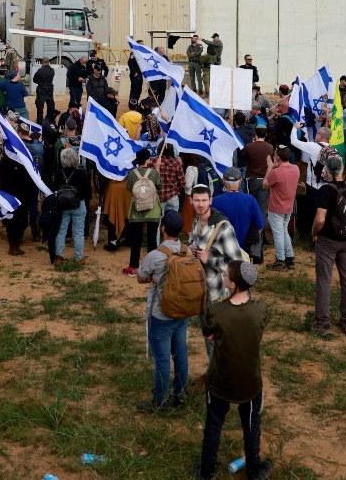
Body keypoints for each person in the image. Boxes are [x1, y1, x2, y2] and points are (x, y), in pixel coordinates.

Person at [196, 260, 272, 480]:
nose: (223, 275)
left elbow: (209, 334)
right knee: (251, 426)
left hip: (221, 379)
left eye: (226, 274)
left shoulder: (217, 311)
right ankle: (254, 469)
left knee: (213, 424)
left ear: (234, 283)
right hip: (250, 380)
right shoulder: (260, 309)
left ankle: (206, 471)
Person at [136, 211, 190, 413]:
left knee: (162, 359)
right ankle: (181, 394)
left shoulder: (155, 256)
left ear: (163, 229)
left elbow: (141, 277)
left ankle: (159, 401)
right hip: (183, 310)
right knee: (181, 353)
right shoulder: (188, 252)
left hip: (162, 313)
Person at [312, 155, 346, 338]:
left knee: (324, 280)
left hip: (328, 240)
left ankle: (323, 324)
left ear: (326, 171)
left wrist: (314, 233)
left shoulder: (325, 191)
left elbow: (320, 219)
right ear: (343, 169)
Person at [187, 184, 244, 306]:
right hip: (199, 289)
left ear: (210, 200)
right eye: (197, 200)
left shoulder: (223, 227)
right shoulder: (196, 219)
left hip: (217, 295)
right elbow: (193, 242)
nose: (201, 205)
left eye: (204, 200)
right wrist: (190, 247)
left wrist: (210, 259)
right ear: (191, 201)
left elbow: (236, 264)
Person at [213, 168, 265, 264]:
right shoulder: (250, 200)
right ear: (240, 181)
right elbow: (260, 226)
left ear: (223, 181)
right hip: (244, 251)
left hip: (222, 249)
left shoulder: (215, 201)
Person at [125, 150, 163, 275]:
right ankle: (153, 268)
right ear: (147, 160)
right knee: (152, 240)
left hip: (136, 210)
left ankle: (134, 266)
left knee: (136, 240)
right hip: (153, 211)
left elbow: (129, 188)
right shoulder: (153, 173)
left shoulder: (131, 174)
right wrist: (157, 168)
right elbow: (159, 186)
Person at [263, 145, 299, 271]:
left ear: (277, 157)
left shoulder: (276, 172)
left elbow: (265, 185)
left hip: (276, 207)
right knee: (284, 231)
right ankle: (289, 257)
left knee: (278, 233)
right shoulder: (295, 169)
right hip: (288, 207)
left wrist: (270, 167)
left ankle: (280, 260)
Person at [54, 147, 91, 264]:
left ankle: (58, 256)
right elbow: (88, 193)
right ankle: (78, 257)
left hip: (62, 206)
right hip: (78, 204)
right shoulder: (81, 173)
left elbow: (54, 189)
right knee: (79, 232)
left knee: (61, 231)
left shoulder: (59, 173)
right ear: (75, 159)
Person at [157, 144, 185, 214]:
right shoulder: (176, 163)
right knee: (172, 221)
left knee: (159, 222)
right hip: (173, 197)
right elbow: (182, 182)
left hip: (158, 198)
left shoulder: (153, 162)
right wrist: (176, 190)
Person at [32, 57, 55, 124]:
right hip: (50, 89)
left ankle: (40, 122)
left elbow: (34, 80)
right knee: (50, 106)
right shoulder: (52, 70)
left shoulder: (40, 70)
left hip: (41, 89)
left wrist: (40, 82)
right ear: (48, 62)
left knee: (40, 107)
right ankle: (49, 120)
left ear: (42, 62)